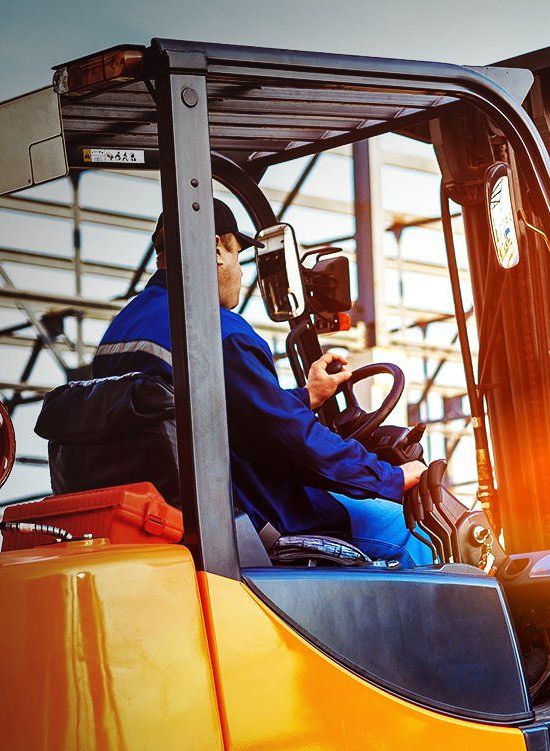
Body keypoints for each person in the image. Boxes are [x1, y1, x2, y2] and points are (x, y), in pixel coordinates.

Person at [89, 199, 432, 565]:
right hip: (250, 517)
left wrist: (306, 396)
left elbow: (221, 414)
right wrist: (389, 477)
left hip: (169, 517)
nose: (240, 271)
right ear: (217, 249)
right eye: (239, 256)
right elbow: (296, 443)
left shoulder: (121, 330)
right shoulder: (219, 332)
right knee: (409, 531)